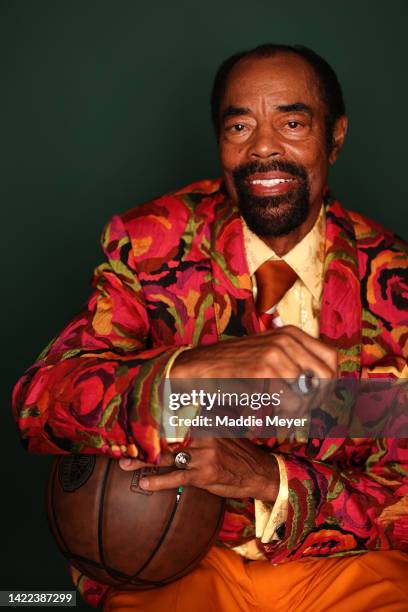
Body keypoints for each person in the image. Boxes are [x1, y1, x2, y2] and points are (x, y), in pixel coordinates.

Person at [12, 44, 408, 611]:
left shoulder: (395, 285)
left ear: (336, 137)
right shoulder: (151, 246)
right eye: (240, 125)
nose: (264, 146)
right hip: (180, 557)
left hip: (345, 566)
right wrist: (190, 370)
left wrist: (271, 480)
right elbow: (38, 403)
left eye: (292, 122)